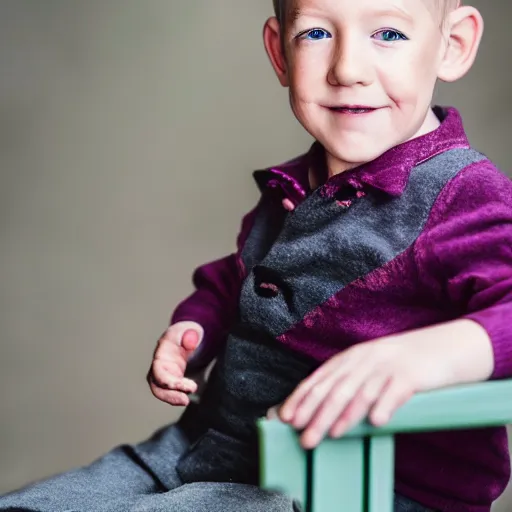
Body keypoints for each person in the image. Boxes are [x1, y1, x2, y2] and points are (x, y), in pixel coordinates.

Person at [2, 1, 511, 511]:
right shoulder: (295, 185)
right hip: (209, 448)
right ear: (279, 53)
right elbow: (238, 280)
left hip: (355, 483)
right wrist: (194, 331)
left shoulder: (464, 195)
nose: (347, 69)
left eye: (388, 34)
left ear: (453, 45)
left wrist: (430, 356)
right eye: (315, 34)